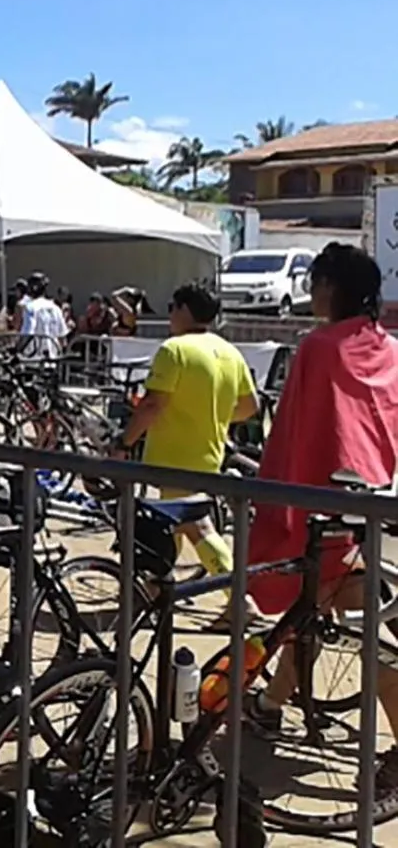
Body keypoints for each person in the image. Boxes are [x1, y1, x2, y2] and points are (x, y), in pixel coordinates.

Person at [245, 244, 398, 767]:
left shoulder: (319, 347)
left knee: (359, 631)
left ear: (330, 286)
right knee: (309, 613)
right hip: (372, 502)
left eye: (314, 283)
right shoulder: (388, 347)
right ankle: (270, 705)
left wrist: (276, 497)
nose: (311, 293)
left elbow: (296, 431)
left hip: (322, 506)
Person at [114, 282, 256, 608]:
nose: (169, 316)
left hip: (173, 456)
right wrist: (212, 414)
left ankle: (240, 599)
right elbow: (249, 407)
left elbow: (153, 404)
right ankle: (156, 588)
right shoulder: (230, 352)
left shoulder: (174, 350)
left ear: (184, 310)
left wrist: (124, 441)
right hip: (209, 452)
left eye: (171, 308)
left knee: (198, 528)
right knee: (173, 523)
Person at [18, 272, 68, 360]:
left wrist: (16, 350)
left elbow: (28, 333)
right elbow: (62, 338)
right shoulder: (55, 308)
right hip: (53, 359)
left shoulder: (30, 307)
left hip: (33, 360)